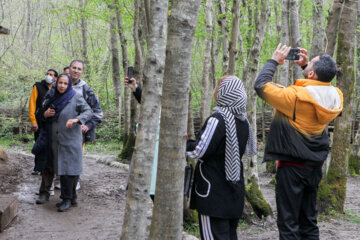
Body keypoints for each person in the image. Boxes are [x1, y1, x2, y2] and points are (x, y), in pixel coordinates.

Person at [254, 44, 343, 240]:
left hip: (291, 168)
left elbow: (260, 85)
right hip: (314, 167)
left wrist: (273, 61)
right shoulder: (336, 96)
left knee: (288, 223)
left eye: (310, 63)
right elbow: (317, 89)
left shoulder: (294, 97)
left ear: (311, 74)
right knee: (308, 221)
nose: (307, 61)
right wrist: (306, 68)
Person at [186, 76, 257, 240]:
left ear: (224, 94)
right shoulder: (243, 122)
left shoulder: (218, 119)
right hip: (233, 193)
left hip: (212, 195)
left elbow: (199, 151)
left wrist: (183, 142)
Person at [40, 73, 93, 212]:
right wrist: (45, 114)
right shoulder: (53, 97)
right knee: (62, 169)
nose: (62, 86)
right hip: (56, 140)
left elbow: (89, 111)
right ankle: (72, 197)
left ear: (68, 84)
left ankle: (66, 199)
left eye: (65, 83)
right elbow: (41, 114)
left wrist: (76, 119)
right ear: (56, 84)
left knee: (69, 169)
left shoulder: (76, 96)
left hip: (71, 139)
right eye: (60, 83)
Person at [55, 59, 103, 191]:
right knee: (58, 154)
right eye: (74, 68)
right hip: (59, 130)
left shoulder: (86, 90)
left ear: (82, 72)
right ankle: (59, 179)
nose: (76, 71)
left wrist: (87, 125)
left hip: (77, 131)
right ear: (69, 68)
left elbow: (97, 113)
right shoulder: (60, 85)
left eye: (79, 69)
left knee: (74, 157)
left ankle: (75, 182)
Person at [29, 69, 58, 175]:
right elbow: (32, 105)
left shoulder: (57, 88)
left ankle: (48, 168)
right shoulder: (37, 86)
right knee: (39, 142)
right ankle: (38, 168)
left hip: (52, 121)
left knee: (51, 145)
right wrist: (33, 121)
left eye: (51, 75)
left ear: (55, 78)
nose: (48, 76)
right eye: (47, 74)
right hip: (39, 120)